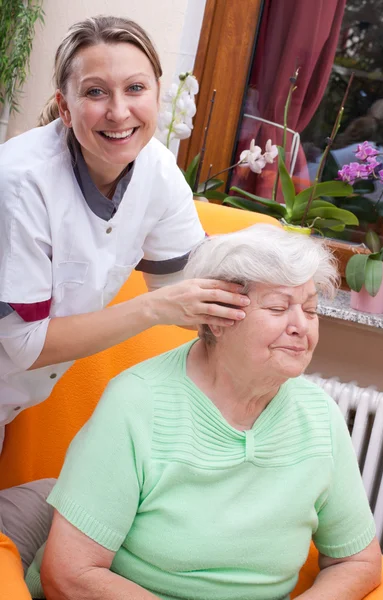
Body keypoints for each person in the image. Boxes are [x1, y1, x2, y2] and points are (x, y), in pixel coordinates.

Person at [25, 225, 381, 600]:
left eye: (311, 310)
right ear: (216, 317)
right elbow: (70, 574)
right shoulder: (138, 402)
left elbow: (358, 562)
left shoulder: (319, 416)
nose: (300, 327)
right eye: (278, 308)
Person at [0, 15, 250, 453]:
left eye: (135, 88)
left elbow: (188, 293)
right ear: (65, 106)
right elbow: (21, 344)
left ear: (156, 92)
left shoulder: (157, 171)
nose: (119, 111)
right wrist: (153, 308)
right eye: (96, 92)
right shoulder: (20, 182)